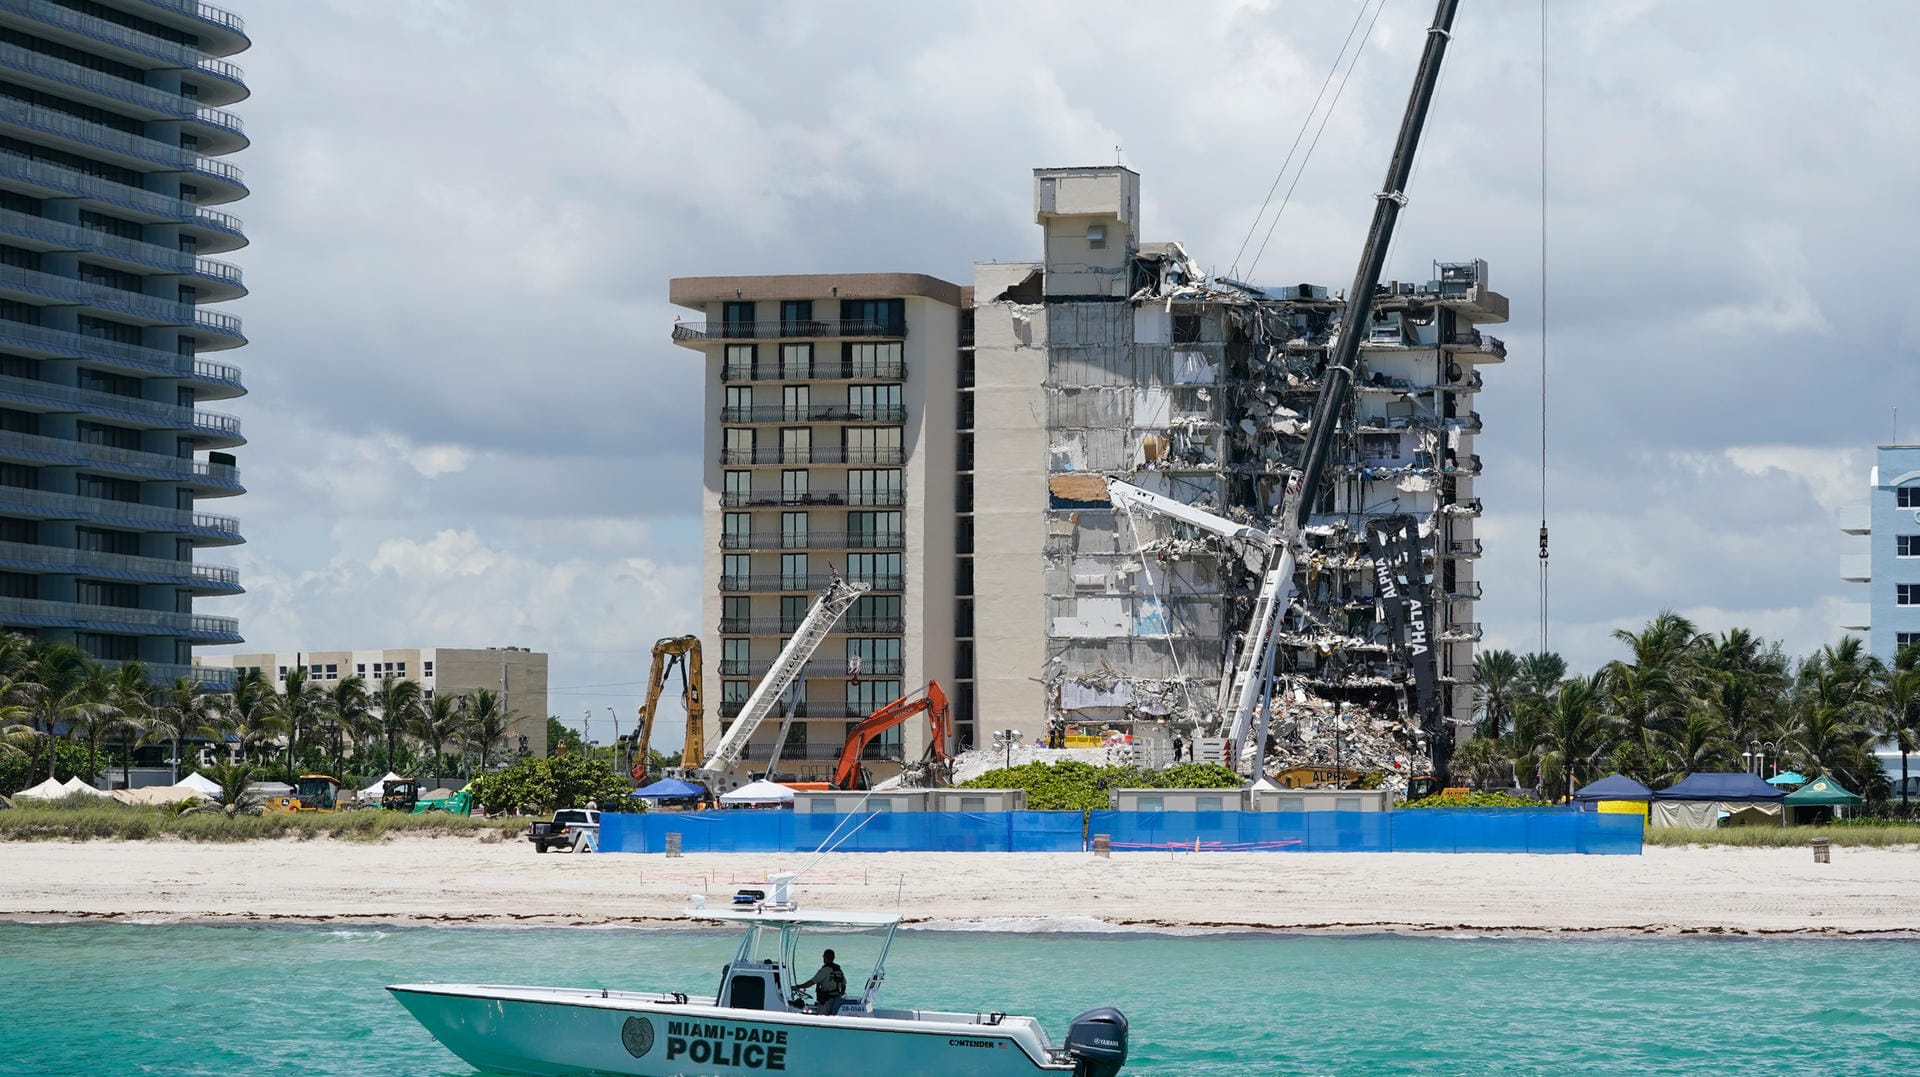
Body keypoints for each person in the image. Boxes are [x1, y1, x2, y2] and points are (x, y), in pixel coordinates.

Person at [794, 948, 847, 1014]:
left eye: (824, 957)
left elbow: (811, 982)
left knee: (821, 1017)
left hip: (827, 1000)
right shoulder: (838, 970)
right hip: (837, 999)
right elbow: (844, 984)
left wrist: (799, 986)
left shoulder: (825, 970)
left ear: (826, 957)